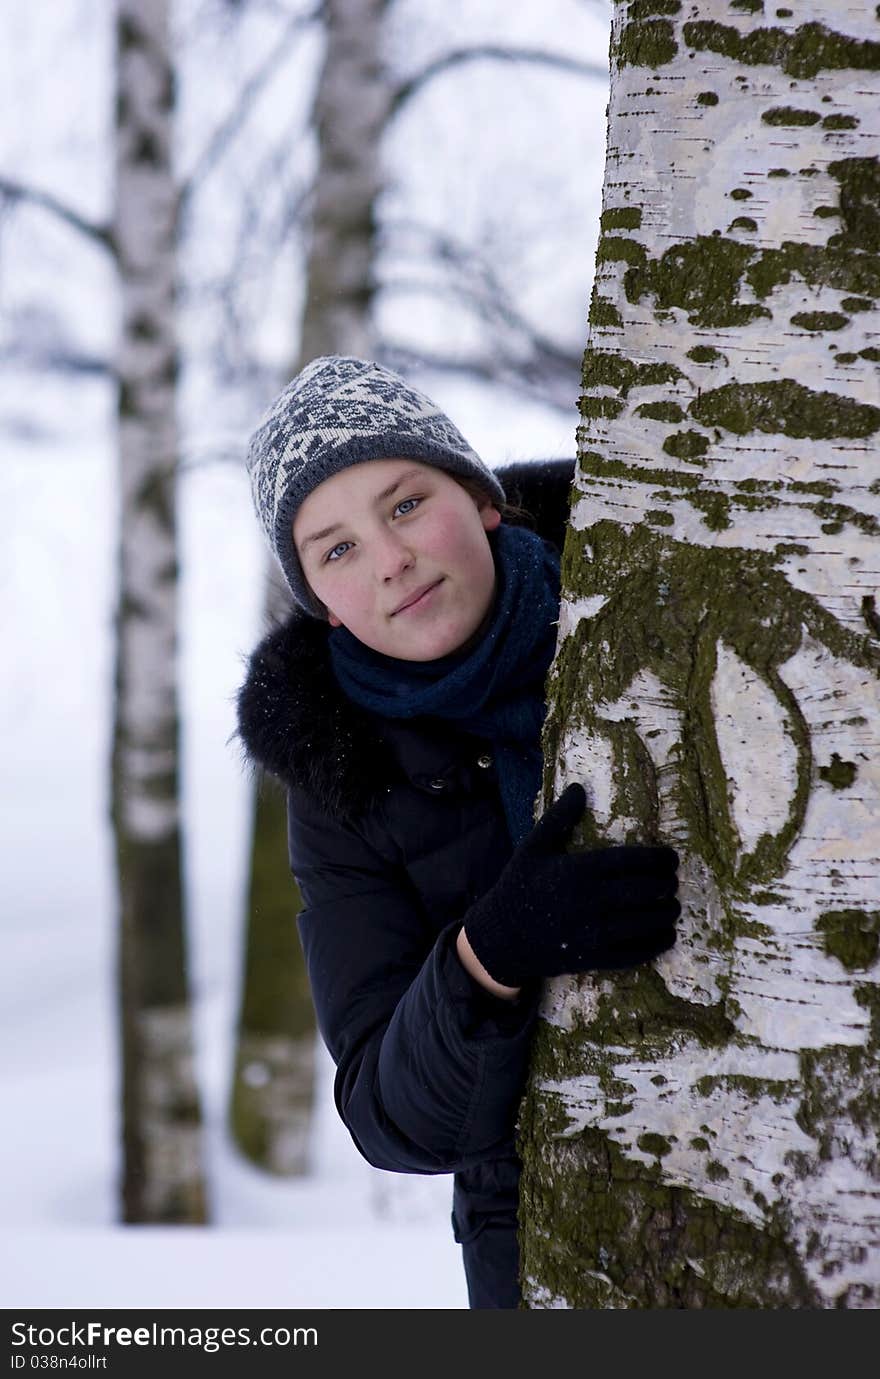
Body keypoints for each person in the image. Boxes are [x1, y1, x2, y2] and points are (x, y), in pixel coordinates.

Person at [236, 355, 680, 1309]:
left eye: (403, 505)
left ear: (480, 498)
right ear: (320, 600)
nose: (388, 558)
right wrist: (490, 952)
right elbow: (387, 1117)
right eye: (337, 549)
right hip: (546, 1236)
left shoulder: (653, 588)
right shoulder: (339, 778)